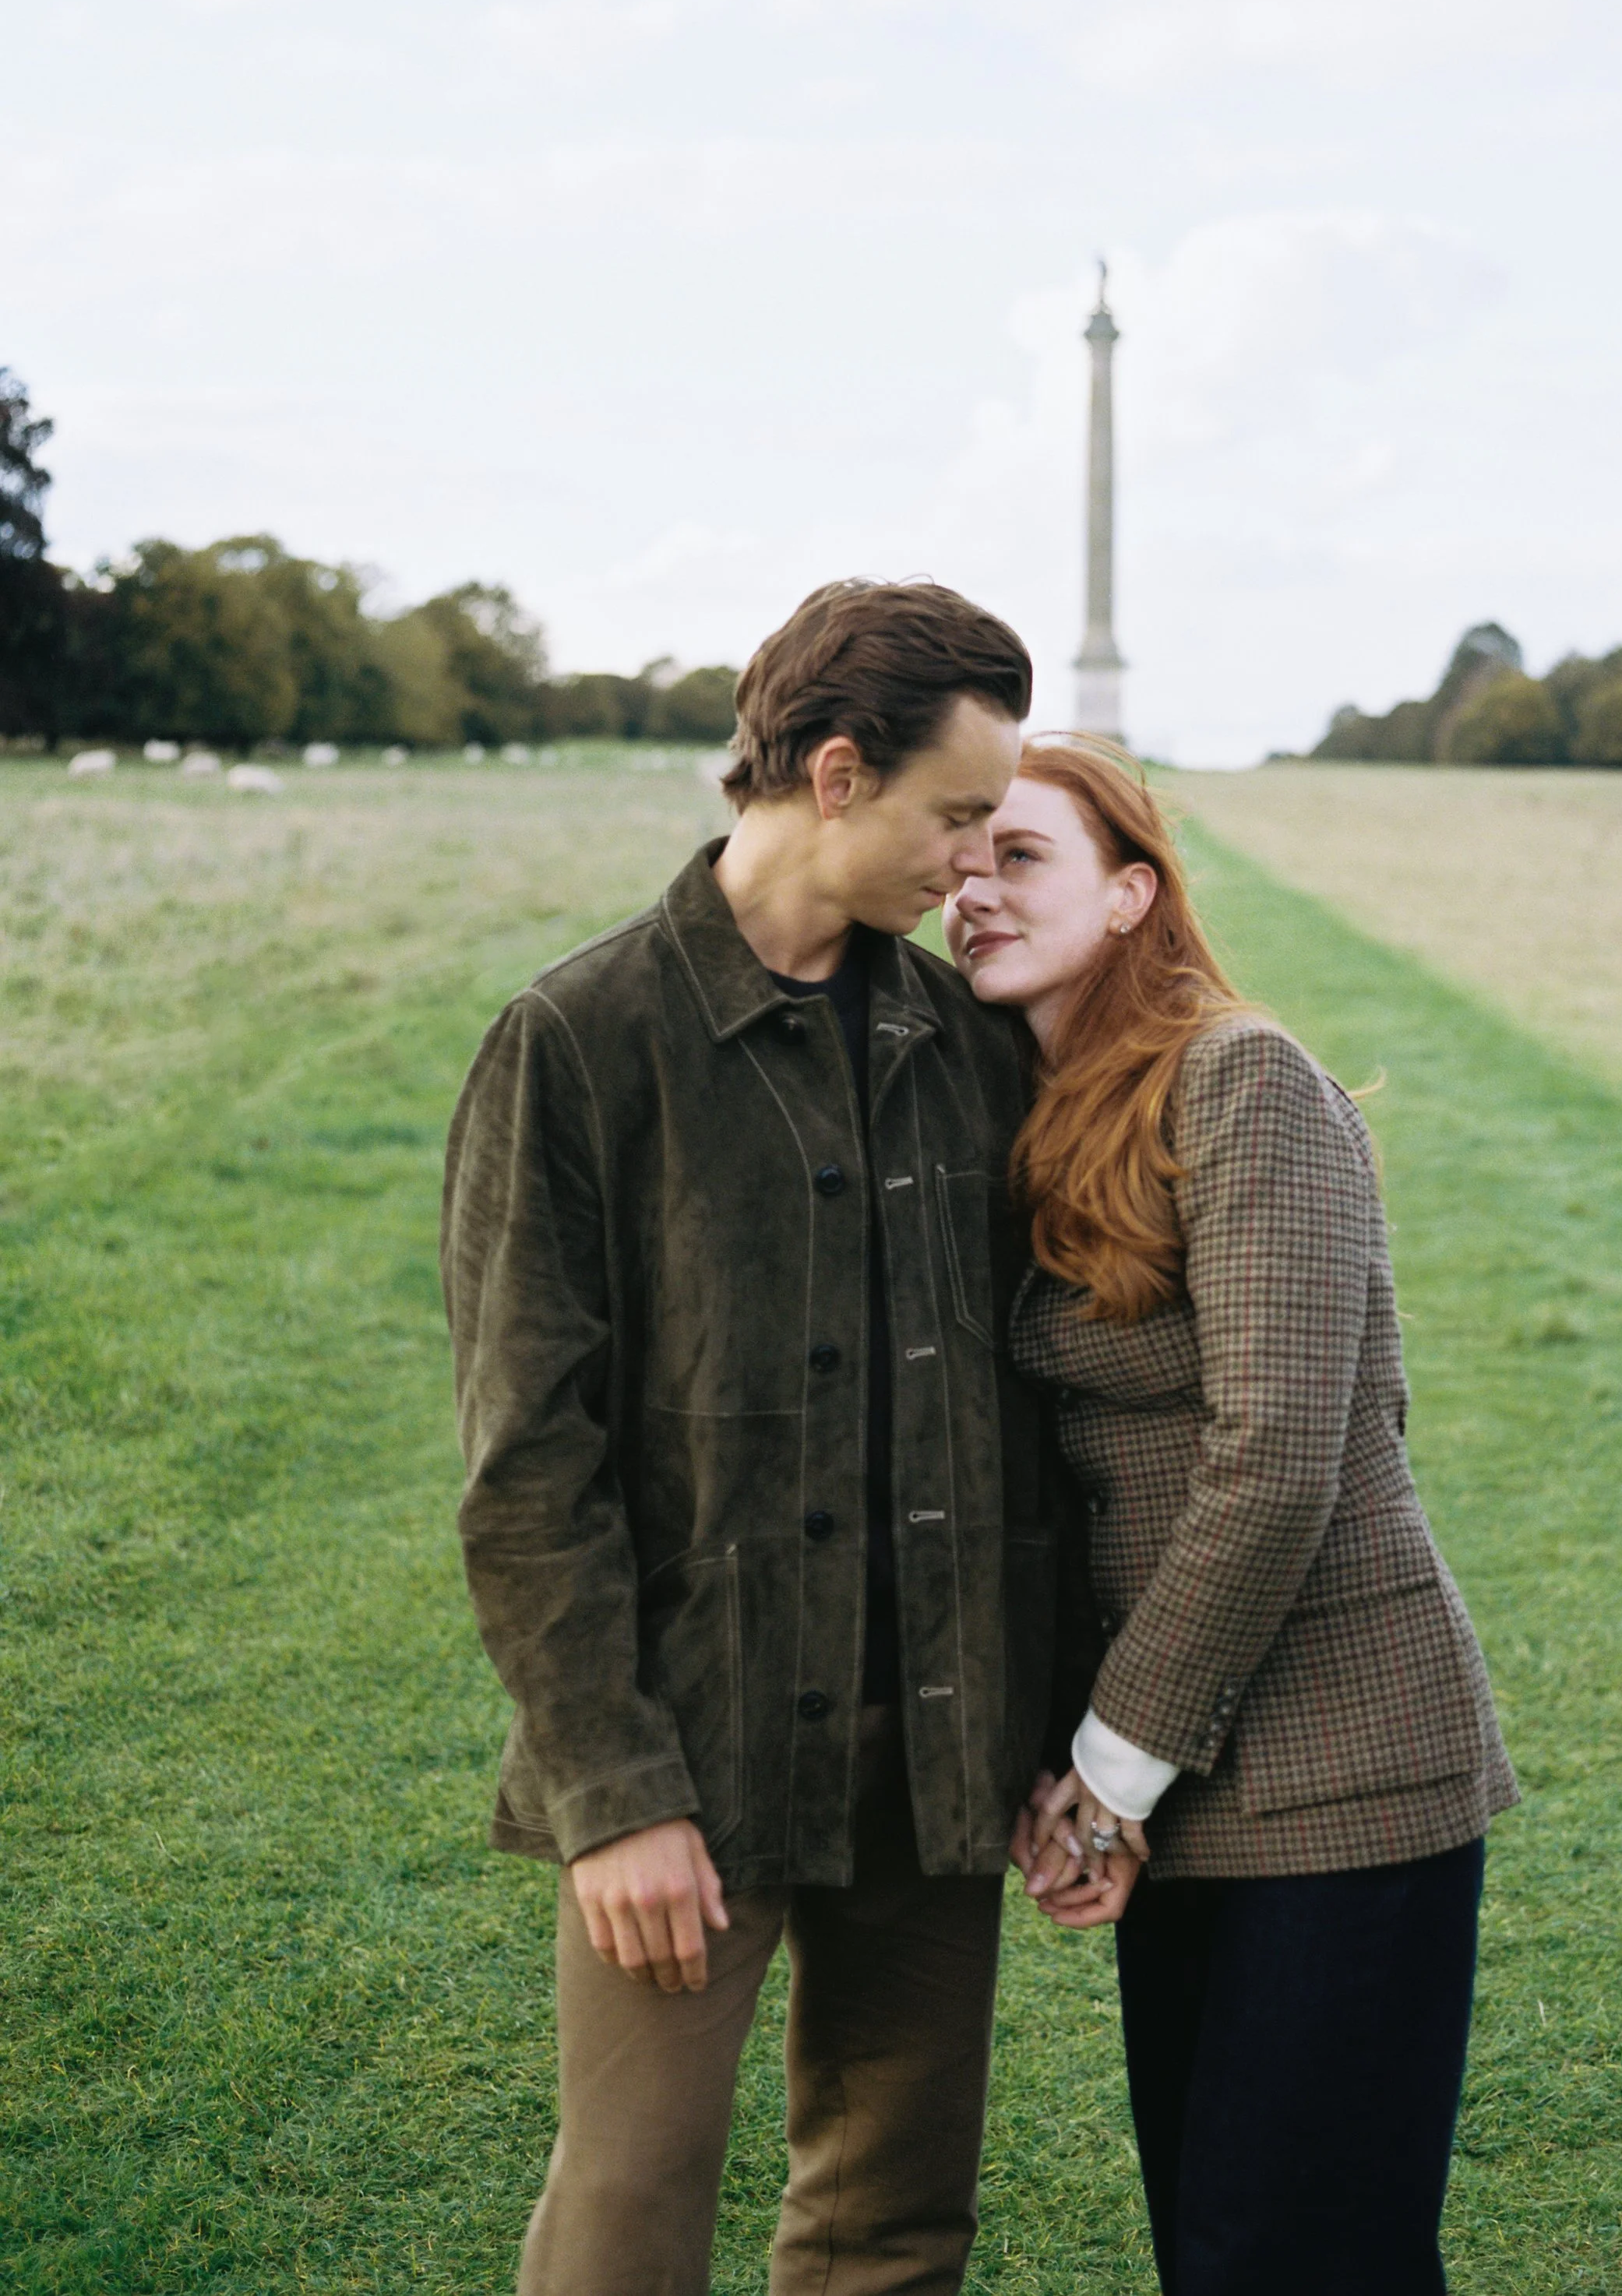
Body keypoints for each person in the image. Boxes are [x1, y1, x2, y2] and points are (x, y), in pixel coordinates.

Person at [443, 580, 1081, 2296]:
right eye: (956, 815)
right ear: (830, 770)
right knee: (629, 2210)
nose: (972, 862)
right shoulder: (576, 1044)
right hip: (685, 1766)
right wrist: (612, 1792)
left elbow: (1034, 1418)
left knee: (893, 2226)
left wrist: (1055, 1722)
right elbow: (526, 1471)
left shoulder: (969, 1049)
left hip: (935, 1757)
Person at [944, 736, 1518, 2296]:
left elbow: (1279, 1457)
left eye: (1020, 857)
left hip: (1341, 1760)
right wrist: (1064, 1761)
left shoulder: (1238, 1077)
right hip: (1186, 1776)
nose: (972, 891)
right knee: (1220, 2246)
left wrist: (1106, 1770)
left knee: (1300, 2255)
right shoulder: (1039, 1109)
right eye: (962, 859)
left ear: (1132, 893)